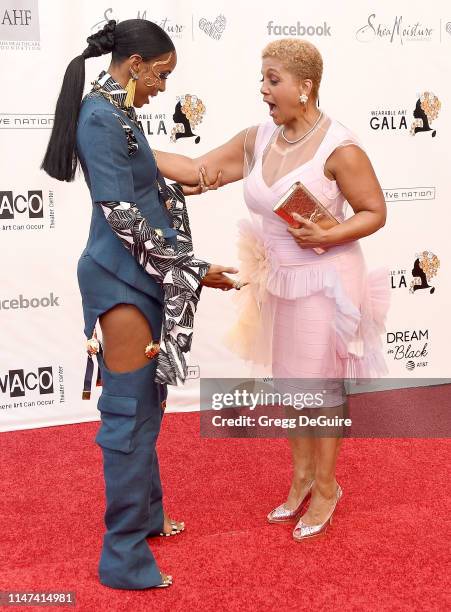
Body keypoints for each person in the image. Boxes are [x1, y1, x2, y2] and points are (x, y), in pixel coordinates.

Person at [154, 39, 390, 541]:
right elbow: (199, 171)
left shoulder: (340, 148)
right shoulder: (258, 138)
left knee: (321, 390)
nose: (263, 89)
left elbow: (375, 212)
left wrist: (329, 233)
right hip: (280, 279)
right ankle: (302, 475)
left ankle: (327, 486)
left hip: (327, 283)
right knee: (291, 386)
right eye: (262, 78)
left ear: (305, 87)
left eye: (273, 79)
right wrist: (127, 143)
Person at [41, 19, 238, 589]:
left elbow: (144, 183)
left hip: (142, 276)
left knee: (146, 402)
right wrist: (196, 272)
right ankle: (121, 556)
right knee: (128, 411)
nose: (163, 87)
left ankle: (147, 516)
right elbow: (120, 215)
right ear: (135, 64)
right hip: (119, 278)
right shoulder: (102, 117)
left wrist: (197, 181)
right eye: (162, 75)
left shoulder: (117, 109)